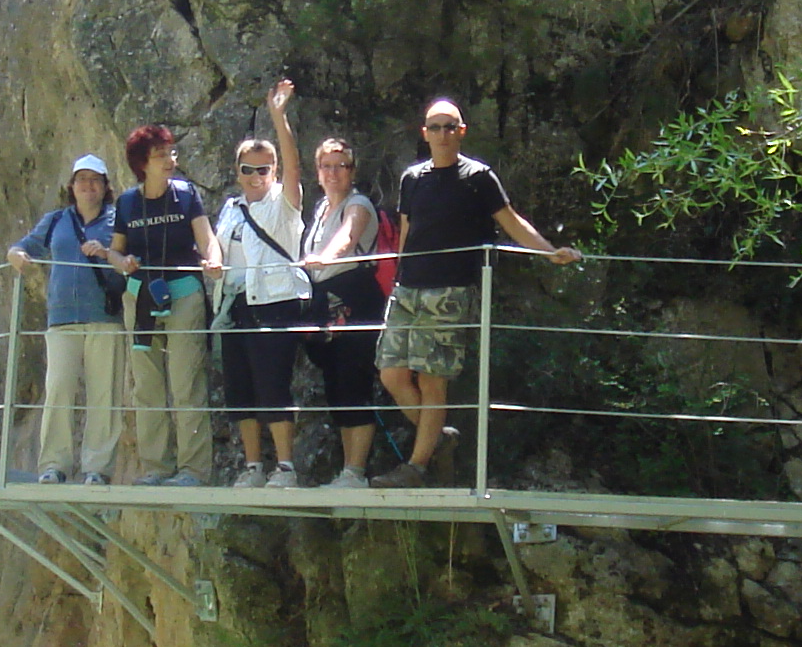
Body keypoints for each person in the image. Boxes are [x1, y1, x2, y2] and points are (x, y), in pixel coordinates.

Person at [372, 96, 580, 487]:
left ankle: (415, 467)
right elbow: (405, 233)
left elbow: (511, 222)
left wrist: (550, 252)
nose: (443, 134)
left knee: (434, 380)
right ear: (425, 134)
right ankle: (438, 440)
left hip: (450, 290)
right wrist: (397, 277)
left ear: (462, 132)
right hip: (408, 289)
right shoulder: (412, 179)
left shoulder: (479, 177)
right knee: (392, 374)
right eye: (435, 127)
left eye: (450, 126)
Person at [108, 122, 221, 484]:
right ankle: (155, 468)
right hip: (140, 296)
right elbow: (115, 250)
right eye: (160, 155)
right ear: (142, 163)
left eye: (171, 153)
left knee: (187, 380)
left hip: (185, 291)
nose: (170, 160)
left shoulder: (187, 196)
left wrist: (213, 260)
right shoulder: (126, 202)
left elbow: (207, 238)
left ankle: (193, 469)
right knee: (147, 384)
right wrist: (121, 263)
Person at [215, 80, 311, 488]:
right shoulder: (230, 209)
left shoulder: (283, 204)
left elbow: (295, 166)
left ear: (273, 172)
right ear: (236, 173)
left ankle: (285, 467)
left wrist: (278, 117)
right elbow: (219, 248)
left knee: (274, 384)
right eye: (247, 169)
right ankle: (254, 466)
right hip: (235, 307)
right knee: (240, 388)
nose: (256, 176)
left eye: (263, 169)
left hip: (275, 302)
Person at [5, 155, 123, 483]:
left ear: (105, 187)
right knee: (58, 390)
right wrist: (14, 253)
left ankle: (97, 469)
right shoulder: (56, 220)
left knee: (105, 395)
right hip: (62, 320)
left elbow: (131, 257)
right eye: (81, 179)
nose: (88, 185)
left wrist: (107, 253)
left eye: (95, 180)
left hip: (105, 317)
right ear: (71, 187)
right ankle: (53, 465)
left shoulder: (118, 220)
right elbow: (26, 246)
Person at [299, 130, 383, 489]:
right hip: (324, 305)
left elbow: (348, 238)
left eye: (341, 166)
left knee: (354, 381)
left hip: (355, 301)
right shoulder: (320, 210)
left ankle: (356, 471)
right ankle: (348, 472)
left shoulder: (359, 204)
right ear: (317, 172)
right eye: (326, 166)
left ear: (352, 171)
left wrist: (321, 259)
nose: (333, 173)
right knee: (335, 385)